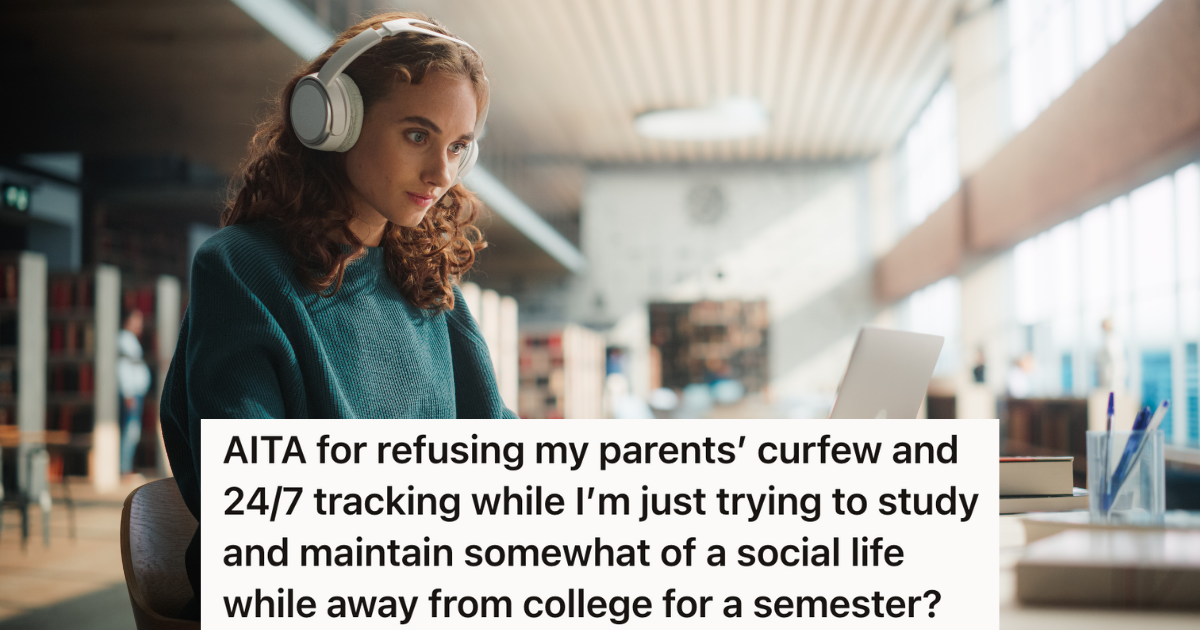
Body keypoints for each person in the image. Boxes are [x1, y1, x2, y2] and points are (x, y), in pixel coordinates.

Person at [158, 13, 515, 620]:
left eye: (458, 146)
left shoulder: (423, 282)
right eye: (416, 135)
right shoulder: (243, 268)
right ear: (334, 121)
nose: (441, 174)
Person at [117, 308, 151, 476]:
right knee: (130, 431)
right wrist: (128, 392)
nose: (140, 325)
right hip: (131, 393)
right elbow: (123, 368)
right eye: (136, 320)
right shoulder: (124, 339)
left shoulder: (131, 340)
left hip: (136, 393)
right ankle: (124, 469)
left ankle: (126, 467)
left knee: (132, 431)